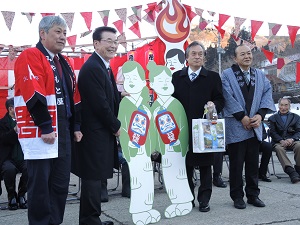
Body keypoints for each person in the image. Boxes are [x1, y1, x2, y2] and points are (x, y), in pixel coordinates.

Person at [13, 15, 82, 225]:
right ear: (42, 34)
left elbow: (74, 96)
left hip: (63, 128)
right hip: (40, 129)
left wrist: (76, 125)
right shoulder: (31, 55)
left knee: (61, 183)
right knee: (41, 184)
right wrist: (45, 125)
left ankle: (55, 222)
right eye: (58, 32)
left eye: (65, 33)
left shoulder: (64, 61)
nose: (63, 37)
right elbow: (32, 93)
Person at [72, 26, 121, 225]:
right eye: (108, 41)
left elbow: (110, 99)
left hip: (100, 132)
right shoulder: (93, 68)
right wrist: (115, 125)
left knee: (97, 177)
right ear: (96, 44)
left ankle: (93, 218)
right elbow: (99, 104)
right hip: (94, 133)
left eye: (115, 41)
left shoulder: (103, 66)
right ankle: (90, 220)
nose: (113, 45)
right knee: (92, 178)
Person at [172, 41, 225, 212]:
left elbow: (221, 99)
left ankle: (204, 199)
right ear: (186, 57)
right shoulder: (176, 77)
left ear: (204, 57)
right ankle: (188, 198)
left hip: (205, 128)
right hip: (182, 128)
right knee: (185, 165)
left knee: (205, 165)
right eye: (193, 54)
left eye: (200, 54)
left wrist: (213, 104)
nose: (197, 56)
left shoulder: (212, 77)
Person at [221, 44, 276, 210]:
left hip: (255, 125)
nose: (247, 56)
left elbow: (267, 93)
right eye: (243, 54)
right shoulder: (227, 75)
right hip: (237, 125)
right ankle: (237, 196)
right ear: (235, 58)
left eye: (249, 53)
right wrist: (241, 117)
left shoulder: (259, 74)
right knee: (236, 165)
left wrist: (260, 115)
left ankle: (253, 195)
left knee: (252, 164)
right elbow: (226, 96)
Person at [0, 98, 27, 210]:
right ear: (11, 109)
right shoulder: (2, 123)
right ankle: (12, 196)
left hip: (23, 156)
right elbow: (3, 139)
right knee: (9, 169)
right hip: (7, 157)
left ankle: (22, 195)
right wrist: (14, 130)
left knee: (30, 167)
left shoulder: (26, 121)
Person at [268, 98, 300, 183]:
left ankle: (299, 169)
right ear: (278, 106)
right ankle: (291, 171)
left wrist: (292, 139)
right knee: (279, 149)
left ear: (289, 106)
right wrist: (281, 140)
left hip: (292, 140)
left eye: (286, 105)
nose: (283, 107)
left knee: (299, 145)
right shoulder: (272, 118)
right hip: (278, 142)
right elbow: (272, 132)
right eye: (281, 105)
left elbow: (299, 131)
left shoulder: (296, 117)